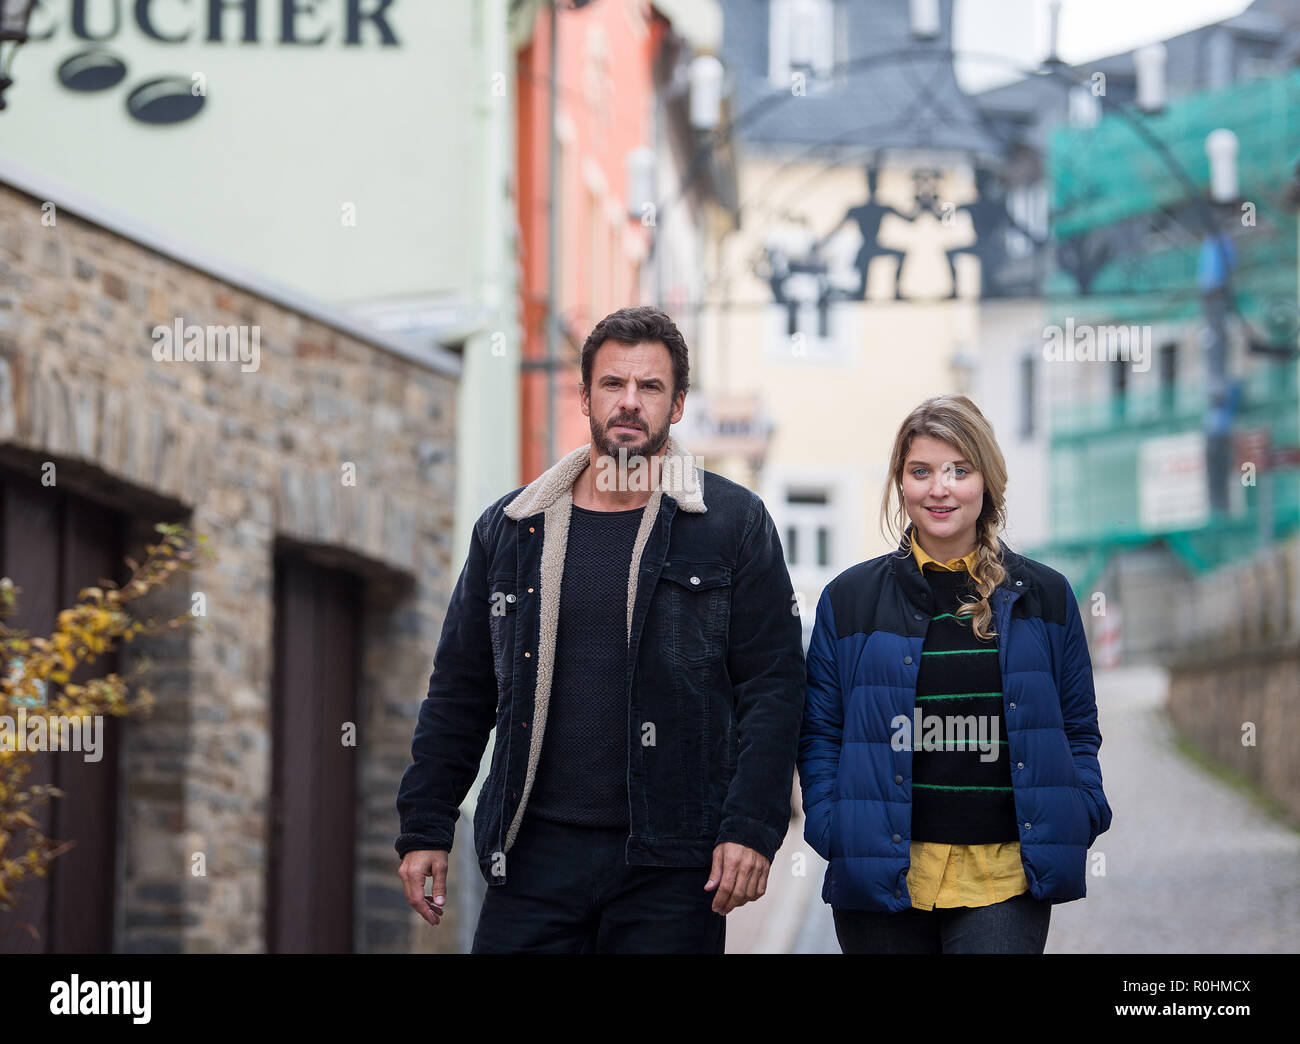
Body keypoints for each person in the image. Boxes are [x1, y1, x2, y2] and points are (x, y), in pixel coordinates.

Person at [395, 305, 805, 953]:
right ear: (585, 395)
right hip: (530, 856)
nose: (630, 403)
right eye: (613, 384)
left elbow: (773, 689)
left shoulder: (732, 524)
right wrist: (425, 826)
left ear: (677, 405)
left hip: (672, 864)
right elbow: (460, 690)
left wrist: (751, 828)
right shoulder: (510, 529)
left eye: (650, 387)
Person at [798, 394, 1112, 954]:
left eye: (957, 471)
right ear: (900, 483)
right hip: (880, 877)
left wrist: (1083, 805)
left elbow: (1078, 727)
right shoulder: (848, 600)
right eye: (920, 471)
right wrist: (831, 825)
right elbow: (820, 732)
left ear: (986, 480)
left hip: (1007, 878)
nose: (938, 489)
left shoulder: (1044, 596)